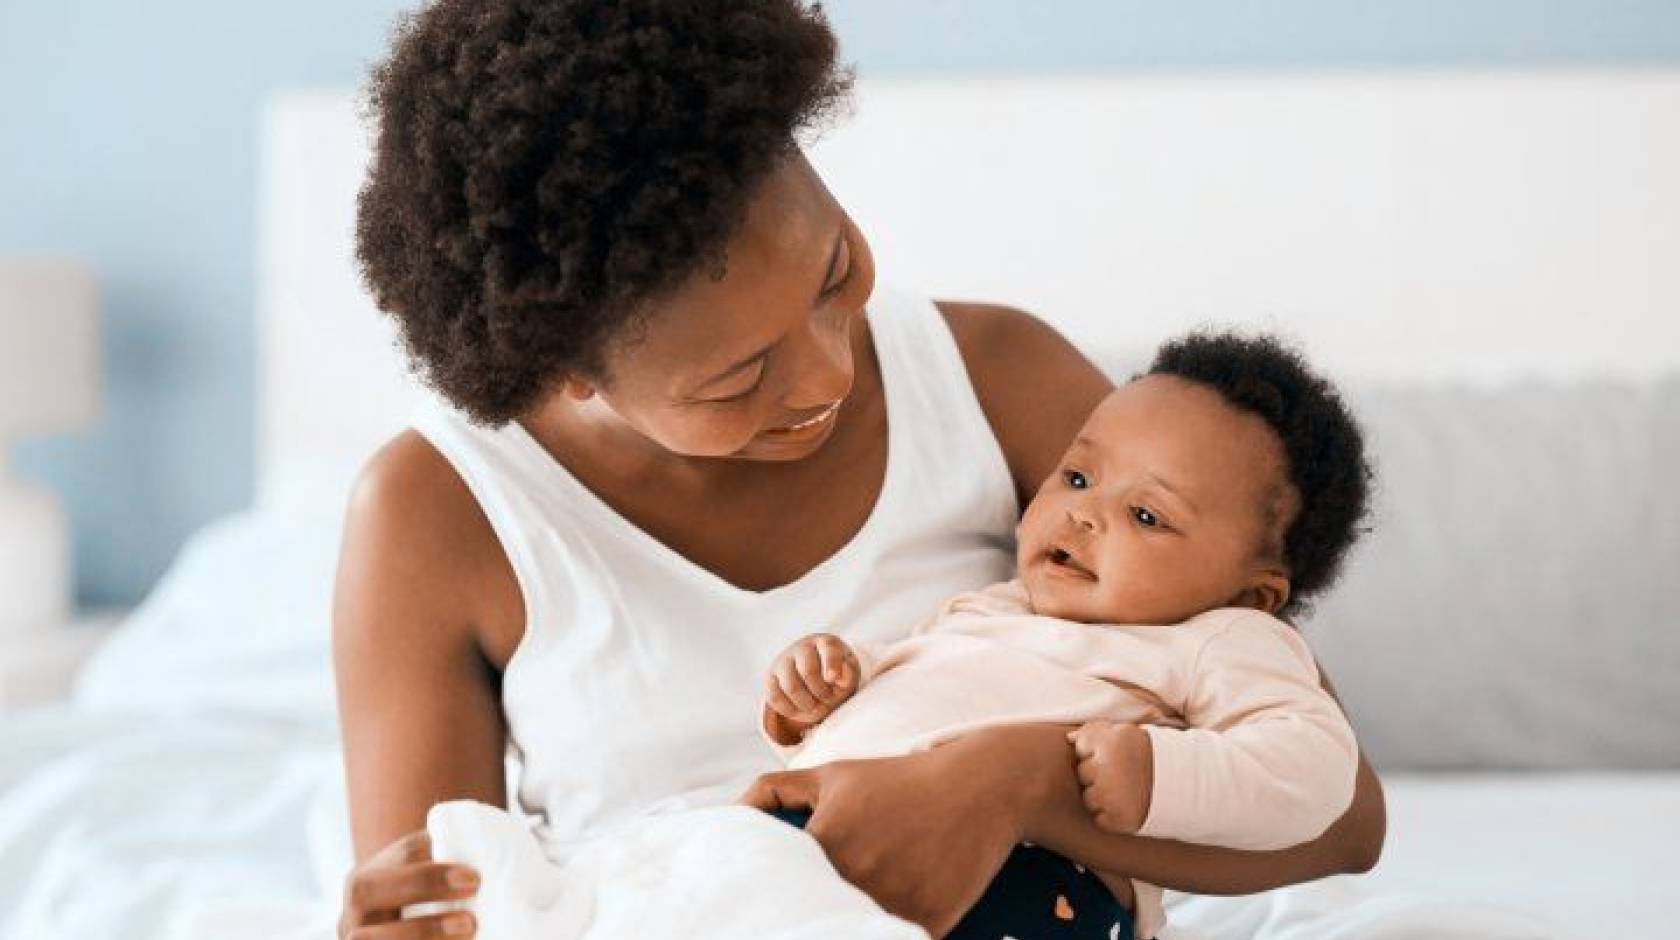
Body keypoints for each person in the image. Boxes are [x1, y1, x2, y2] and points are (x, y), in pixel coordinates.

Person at [332, 2, 1388, 939]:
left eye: (835, 269)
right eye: (739, 375)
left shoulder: (998, 377)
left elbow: (1342, 815)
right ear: (565, 371)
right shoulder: (436, 515)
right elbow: (451, 896)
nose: (830, 373)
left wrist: (1011, 785)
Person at [760, 331, 1372, 939]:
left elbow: (1314, 770)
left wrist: (1160, 773)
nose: (1083, 512)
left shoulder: (1219, 638)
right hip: (813, 826)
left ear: (1249, 594)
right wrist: (833, 682)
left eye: (1146, 516)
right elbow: (923, 691)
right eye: (1078, 477)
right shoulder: (994, 607)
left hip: (1026, 874)